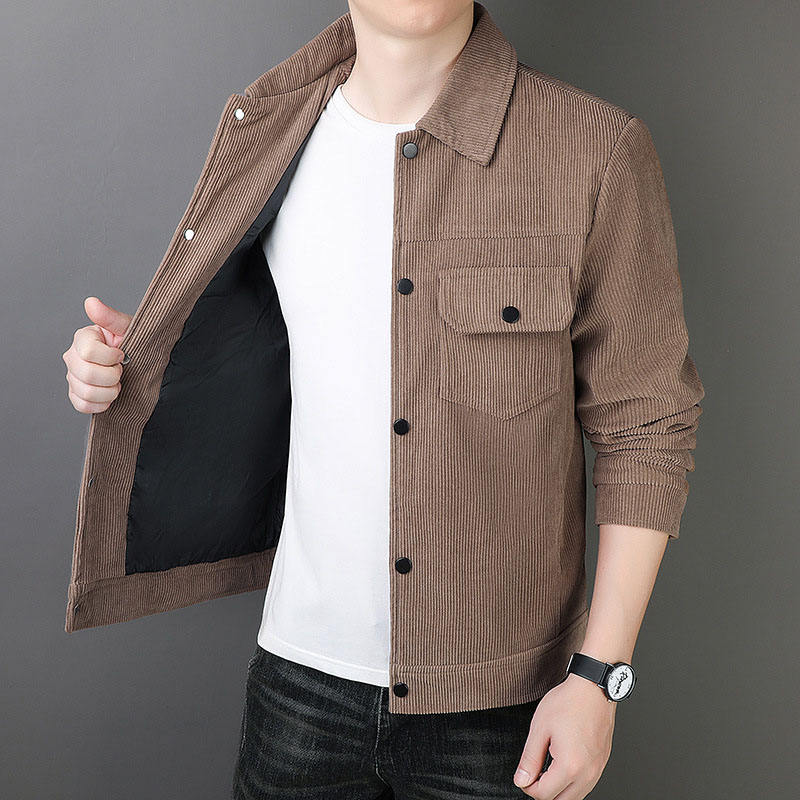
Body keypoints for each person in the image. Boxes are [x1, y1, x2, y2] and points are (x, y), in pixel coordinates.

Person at [61, 2, 705, 798]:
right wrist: (125, 364)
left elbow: (647, 425)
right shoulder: (271, 130)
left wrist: (598, 678)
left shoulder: (594, 148)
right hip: (297, 684)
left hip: (504, 701)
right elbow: (258, 343)